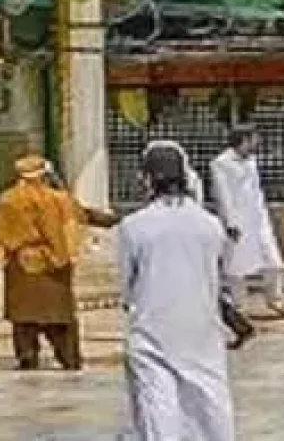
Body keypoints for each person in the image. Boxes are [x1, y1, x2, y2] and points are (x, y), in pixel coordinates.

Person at [119, 142, 236, 441]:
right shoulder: (211, 225)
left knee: (158, 404)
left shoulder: (134, 226)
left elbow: (126, 286)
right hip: (201, 327)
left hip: (151, 328)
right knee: (210, 400)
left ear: (147, 178)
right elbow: (220, 275)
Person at [0, 154, 113, 371]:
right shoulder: (59, 199)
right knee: (60, 320)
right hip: (55, 267)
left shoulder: (7, 200)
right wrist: (115, 220)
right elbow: (83, 215)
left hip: (21, 267)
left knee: (24, 320)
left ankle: (27, 356)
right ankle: (69, 359)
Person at [151, 137, 253, 350]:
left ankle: (237, 325)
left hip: (187, 241)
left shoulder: (189, 181)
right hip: (183, 240)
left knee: (201, 289)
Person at [207, 126, 284, 320]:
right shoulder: (221, 163)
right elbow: (222, 194)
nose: (257, 143)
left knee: (274, 263)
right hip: (237, 221)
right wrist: (230, 222)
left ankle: (275, 300)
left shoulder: (251, 161)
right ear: (244, 139)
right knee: (235, 268)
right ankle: (238, 305)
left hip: (258, 219)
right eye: (254, 139)